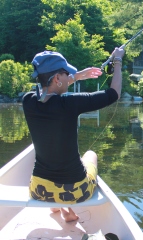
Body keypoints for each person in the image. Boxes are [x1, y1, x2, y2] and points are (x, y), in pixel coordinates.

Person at [22, 48, 125, 222]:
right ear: (57, 78)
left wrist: (78, 76)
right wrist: (118, 62)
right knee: (90, 155)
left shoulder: (28, 100)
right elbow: (113, 94)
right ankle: (64, 205)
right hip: (76, 192)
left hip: (38, 189)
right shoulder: (69, 103)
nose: (68, 78)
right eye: (66, 74)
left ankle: (60, 207)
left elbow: (50, 89)